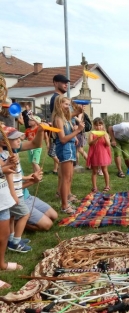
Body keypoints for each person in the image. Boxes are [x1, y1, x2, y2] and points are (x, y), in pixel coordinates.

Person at [0, 124, 45, 253]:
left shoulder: (8, 154)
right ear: (4, 141)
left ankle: (12, 238)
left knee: (13, 217)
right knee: (25, 214)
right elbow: (7, 175)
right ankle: (16, 243)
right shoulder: (4, 157)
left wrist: (25, 178)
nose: (20, 140)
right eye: (15, 139)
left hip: (16, 192)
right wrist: (13, 194)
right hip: (14, 194)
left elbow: (13, 175)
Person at [52, 95, 84, 214]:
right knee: (65, 178)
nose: (68, 107)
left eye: (69, 105)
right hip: (65, 149)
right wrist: (77, 131)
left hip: (70, 148)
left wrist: (80, 108)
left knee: (69, 177)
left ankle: (66, 200)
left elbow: (76, 113)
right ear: (59, 104)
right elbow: (63, 139)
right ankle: (64, 205)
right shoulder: (58, 119)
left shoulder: (65, 117)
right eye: (66, 104)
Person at [0, 152, 22, 276]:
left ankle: (1, 264)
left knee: (4, 235)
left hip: (2, 198)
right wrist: (2, 169)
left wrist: (7, 164)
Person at [87, 117, 112, 192]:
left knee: (104, 170)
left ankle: (107, 185)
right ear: (94, 126)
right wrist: (97, 138)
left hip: (103, 154)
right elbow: (90, 143)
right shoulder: (92, 133)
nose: (98, 127)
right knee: (94, 171)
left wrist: (104, 137)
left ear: (103, 125)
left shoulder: (105, 133)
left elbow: (108, 144)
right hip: (95, 153)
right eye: (97, 125)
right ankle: (94, 187)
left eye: (100, 125)